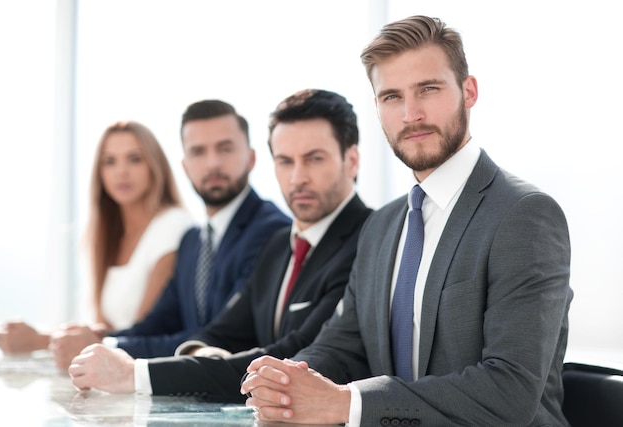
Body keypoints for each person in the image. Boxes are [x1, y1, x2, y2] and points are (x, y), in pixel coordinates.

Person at [241, 15, 573, 426]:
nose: (410, 113)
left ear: (468, 92)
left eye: (428, 89)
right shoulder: (382, 226)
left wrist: (346, 404)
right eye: (391, 97)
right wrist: (288, 383)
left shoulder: (524, 215)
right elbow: (343, 346)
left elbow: (510, 390)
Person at [67, 89, 373, 402]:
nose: (297, 178)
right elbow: (222, 332)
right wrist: (201, 351)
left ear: (351, 160)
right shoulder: (280, 244)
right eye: (284, 161)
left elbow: (292, 356)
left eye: (315, 159)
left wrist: (135, 374)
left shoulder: (370, 239)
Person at [48, 100, 291, 370]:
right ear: (185, 166)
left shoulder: (273, 232)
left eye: (225, 148)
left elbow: (222, 338)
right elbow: (161, 322)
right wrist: (100, 339)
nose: (212, 163)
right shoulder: (192, 241)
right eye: (198, 152)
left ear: (251, 158)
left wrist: (107, 347)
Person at [0, 121, 193, 355]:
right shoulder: (106, 235)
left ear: (155, 164)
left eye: (134, 158)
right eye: (110, 161)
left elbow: (144, 332)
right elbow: (103, 330)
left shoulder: (173, 226)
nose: (121, 171)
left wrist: (40, 340)